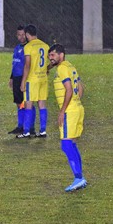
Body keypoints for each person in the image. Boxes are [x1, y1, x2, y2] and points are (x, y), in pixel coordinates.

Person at [48, 44, 87, 192]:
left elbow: (69, 90)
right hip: (77, 108)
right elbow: (81, 87)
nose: (50, 58)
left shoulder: (62, 68)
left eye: (52, 55)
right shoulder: (70, 66)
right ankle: (80, 177)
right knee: (71, 143)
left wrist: (62, 111)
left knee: (66, 144)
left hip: (69, 111)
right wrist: (77, 102)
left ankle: (78, 178)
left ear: (61, 54)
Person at [17, 24, 49, 138]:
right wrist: (46, 69)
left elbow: (27, 65)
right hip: (43, 79)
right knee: (42, 104)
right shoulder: (45, 46)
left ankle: (26, 132)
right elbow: (48, 62)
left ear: (26, 34)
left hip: (33, 80)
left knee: (28, 104)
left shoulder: (28, 46)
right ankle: (43, 131)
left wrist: (23, 81)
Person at [8, 25, 26, 134]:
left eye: (23, 34)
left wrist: (24, 79)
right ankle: (20, 126)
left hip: (23, 78)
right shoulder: (17, 47)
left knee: (25, 103)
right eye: (19, 35)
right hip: (16, 78)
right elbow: (15, 63)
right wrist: (11, 77)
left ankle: (26, 127)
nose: (21, 37)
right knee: (18, 102)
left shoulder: (28, 48)